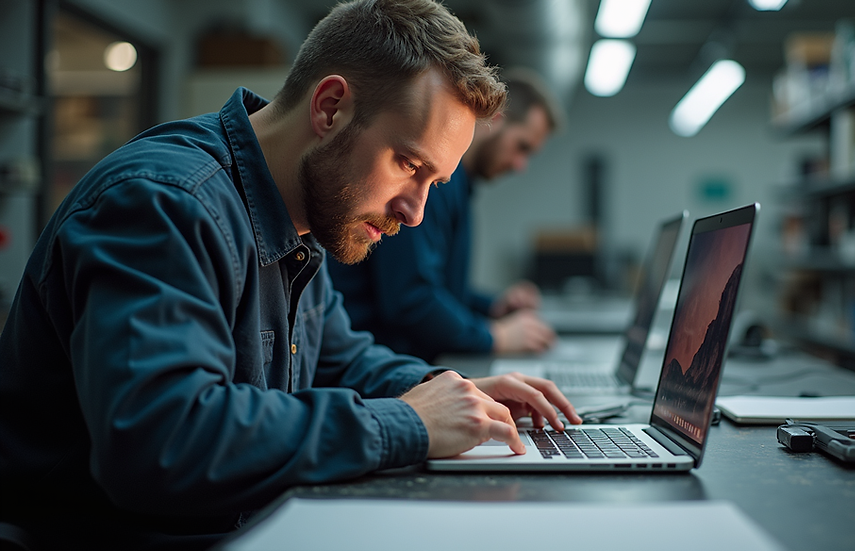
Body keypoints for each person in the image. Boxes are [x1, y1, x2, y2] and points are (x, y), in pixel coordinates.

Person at [0, 1, 581, 549]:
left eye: (435, 183)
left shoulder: (300, 219)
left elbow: (343, 358)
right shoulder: (165, 204)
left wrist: (448, 391)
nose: (415, 212)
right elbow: (164, 442)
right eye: (409, 165)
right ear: (330, 108)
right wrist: (405, 423)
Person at [327, 69, 563, 362]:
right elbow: (410, 299)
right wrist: (494, 336)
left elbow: (438, 286)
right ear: (496, 122)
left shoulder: (459, 187)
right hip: (371, 369)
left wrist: (492, 306)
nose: (520, 165)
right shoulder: (431, 186)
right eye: (521, 147)